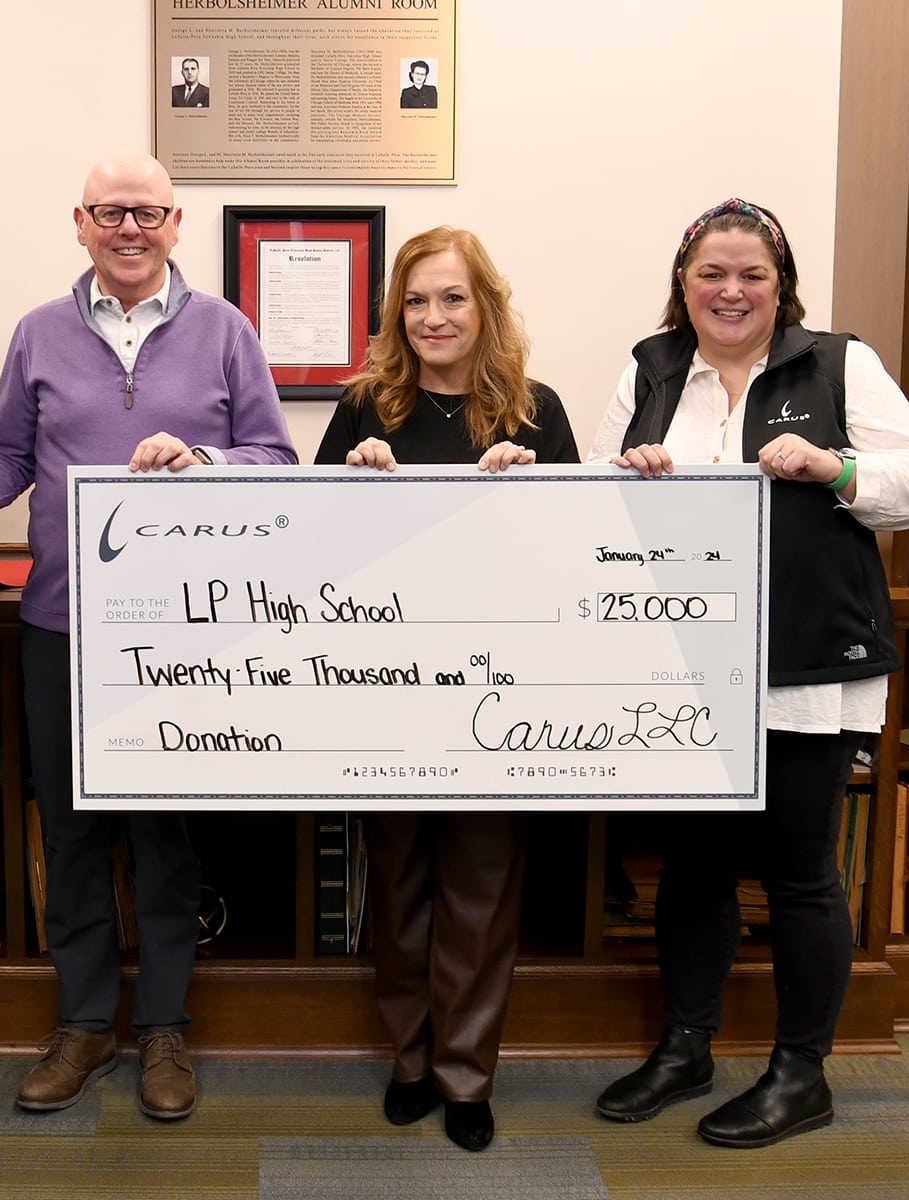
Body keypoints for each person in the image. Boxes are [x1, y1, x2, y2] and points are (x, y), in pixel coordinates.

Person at [587, 198, 909, 1148]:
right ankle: (687, 1046)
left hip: (804, 662)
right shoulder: (651, 366)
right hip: (684, 666)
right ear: (683, 283)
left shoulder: (837, 362)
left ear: (781, 284)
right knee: (692, 869)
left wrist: (834, 468)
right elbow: (599, 501)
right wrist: (632, 473)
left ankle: (801, 1072)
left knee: (797, 874)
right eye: (712, 273)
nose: (731, 290)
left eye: (752, 273)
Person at [0, 151, 295, 1122]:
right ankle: (81, 1024)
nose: (130, 228)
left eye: (147, 212)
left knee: (165, 840)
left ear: (175, 223)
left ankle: (162, 1030)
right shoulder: (37, 332)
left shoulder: (226, 331)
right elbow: (6, 454)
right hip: (62, 626)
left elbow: (276, 457)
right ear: (81, 222)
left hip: (182, 636)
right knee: (68, 834)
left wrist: (201, 458)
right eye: (111, 212)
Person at [315, 226, 578, 1152]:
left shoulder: (536, 412)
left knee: (481, 884)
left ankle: (468, 1074)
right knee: (400, 883)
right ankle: (411, 1058)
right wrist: (352, 491)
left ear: (486, 307)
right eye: (416, 301)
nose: (433, 317)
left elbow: (572, 562)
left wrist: (530, 493)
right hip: (386, 694)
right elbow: (309, 560)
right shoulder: (361, 409)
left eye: (453, 298)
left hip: (498, 696)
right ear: (398, 313)